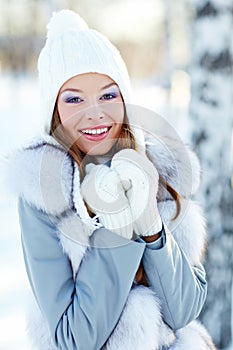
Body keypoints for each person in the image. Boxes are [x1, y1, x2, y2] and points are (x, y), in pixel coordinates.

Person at [8, 9, 216, 350]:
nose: (95, 112)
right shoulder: (45, 194)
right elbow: (74, 339)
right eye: (74, 99)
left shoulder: (159, 172)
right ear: (54, 109)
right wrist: (119, 228)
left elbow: (183, 311)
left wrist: (150, 225)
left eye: (108, 95)